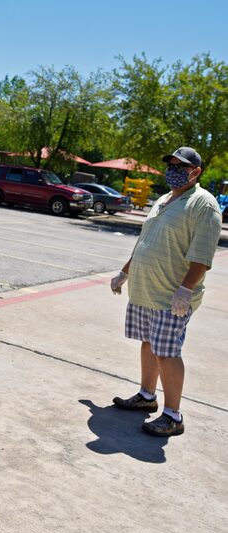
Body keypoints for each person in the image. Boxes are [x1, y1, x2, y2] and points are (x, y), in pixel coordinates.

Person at [110, 146, 221, 437]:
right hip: (146, 291)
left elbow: (202, 255)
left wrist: (185, 290)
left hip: (172, 297)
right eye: (170, 165)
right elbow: (145, 243)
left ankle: (173, 415)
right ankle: (147, 396)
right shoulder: (163, 200)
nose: (173, 171)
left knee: (167, 352)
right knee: (149, 343)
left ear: (195, 172)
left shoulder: (203, 205)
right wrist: (125, 272)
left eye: (180, 167)